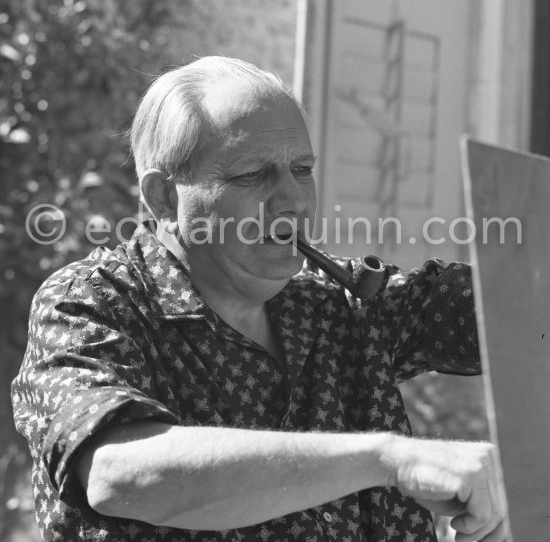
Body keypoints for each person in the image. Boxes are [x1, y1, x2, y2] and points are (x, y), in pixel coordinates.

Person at [12, 56, 508, 542]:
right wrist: (387, 459)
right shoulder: (89, 303)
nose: (293, 199)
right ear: (165, 197)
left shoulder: (341, 302)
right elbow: (119, 474)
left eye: (302, 169)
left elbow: (512, 310)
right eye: (252, 174)